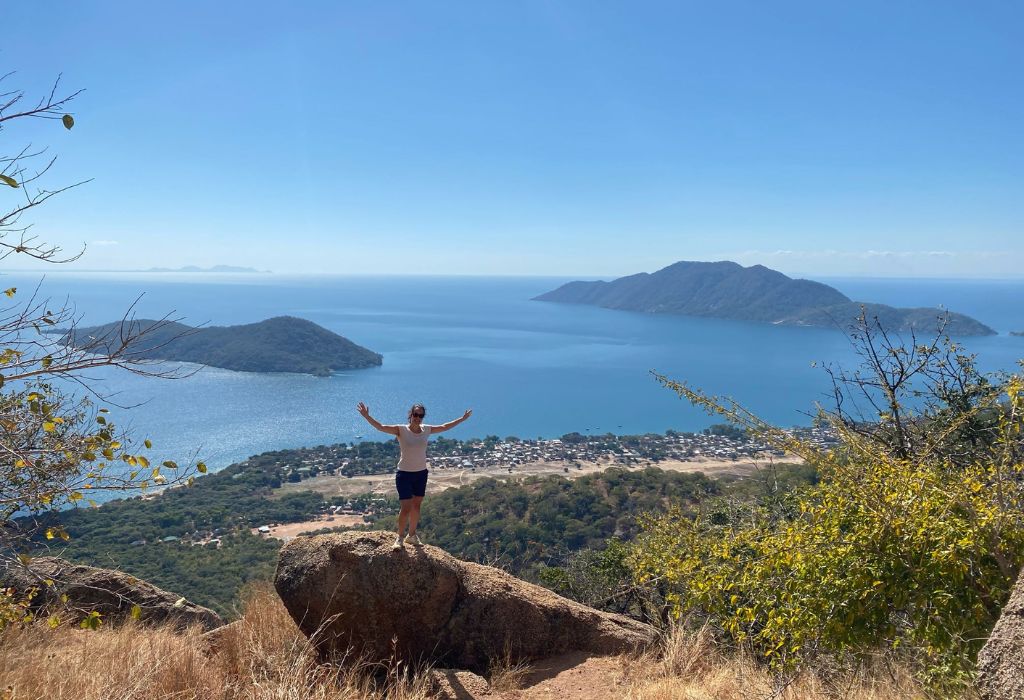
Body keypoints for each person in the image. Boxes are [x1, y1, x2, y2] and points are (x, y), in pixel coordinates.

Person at [356, 401, 472, 549]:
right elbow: (381, 427)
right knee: (406, 508)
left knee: (416, 506)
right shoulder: (401, 430)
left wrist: (462, 419)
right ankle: (399, 538)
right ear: (410, 415)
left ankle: (412, 535)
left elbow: (444, 427)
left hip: (421, 473)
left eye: (421, 415)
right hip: (404, 474)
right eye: (416, 414)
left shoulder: (427, 430)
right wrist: (367, 416)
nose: (418, 417)